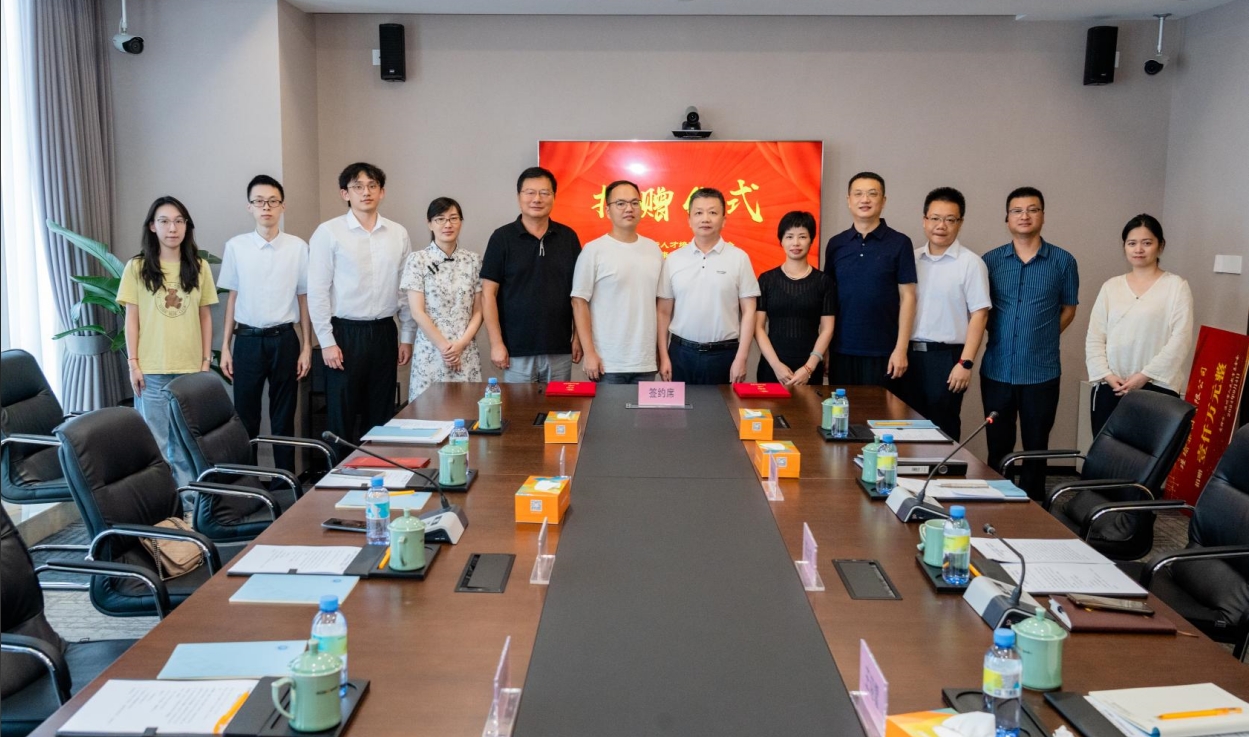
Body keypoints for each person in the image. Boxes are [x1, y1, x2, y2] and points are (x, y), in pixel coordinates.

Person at [981, 187, 1079, 499]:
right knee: (998, 444)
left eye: (1032, 209)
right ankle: (997, 500)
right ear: (1007, 218)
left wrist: (1041, 336)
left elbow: (1069, 309)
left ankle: (1034, 503)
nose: (1024, 216)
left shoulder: (1063, 261)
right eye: (1017, 210)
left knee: (1037, 444)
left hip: (1041, 371)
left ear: (1043, 216)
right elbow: (980, 311)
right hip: (997, 369)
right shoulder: (990, 261)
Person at [307, 162, 415, 446]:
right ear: (345, 193)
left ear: (382, 192)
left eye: (372, 186)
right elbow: (317, 291)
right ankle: (340, 473)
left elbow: (405, 289)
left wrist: (406, 336)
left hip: (384, 332)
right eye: (357, 187)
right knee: (341, 414)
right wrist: (326, 342)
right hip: (344, 334)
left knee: (381, 413)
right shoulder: (328, 232)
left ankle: (377, 469)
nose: (366, 192)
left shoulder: (398, 233)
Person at [118, 196, 218, 489]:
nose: (172, 228)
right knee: (157, 445)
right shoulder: (136, 267)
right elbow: (131, 319)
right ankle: (162, 506)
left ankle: (188, 503)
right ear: (152, 226)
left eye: (178, 221)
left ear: (186, 226)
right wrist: (133, 364)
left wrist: (204, 364)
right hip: (152, 371)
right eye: (164, 221)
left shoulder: (198, 266)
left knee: (187, 444)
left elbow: (205, 317)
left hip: (190, 371)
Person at [218, 175, 311, 474]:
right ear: (250, 207)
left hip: (285, 339)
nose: (266, 207)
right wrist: (225, 347)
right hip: (247, 341)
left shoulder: (298, 247)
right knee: (246, 417)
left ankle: (285, 481)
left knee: (284, 418)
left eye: (272, 201)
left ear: (282, 206)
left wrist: (306, 347)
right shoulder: (236, 247)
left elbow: (303, 299)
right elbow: (232, 299)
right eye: (259, 201)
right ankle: (249, 482)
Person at [1085, 214, 1193, 436]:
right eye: (1132, 243)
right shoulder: (1111, 287)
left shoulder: (1176, 286)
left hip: (1156, 388)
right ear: (1124, 246)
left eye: (1147, 243)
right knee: (1106, 453)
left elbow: (1180, 339)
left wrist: (1145, 375)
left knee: (1149, 453)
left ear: (1160, 246)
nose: (1139, 249)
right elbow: (1095, 337)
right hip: (1111, 387)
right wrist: (1107, 375)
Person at [897, 188, 991, 440]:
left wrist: (965, 363)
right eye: (935, 218)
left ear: (960, 223)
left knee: (942, 431)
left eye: (950, 219)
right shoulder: (910, 259)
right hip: (906, 357)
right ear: (924, 220)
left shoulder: (971, 263)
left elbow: (980, 315)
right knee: (904, 430)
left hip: (946, 359)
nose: (941, 226)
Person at [481, 166, 582, 383]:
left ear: (554, 197)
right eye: (530, 192)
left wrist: (578, 337)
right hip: (516, 351)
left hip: (559, 349)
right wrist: (496, 343)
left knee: (559, 405)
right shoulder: (502, 238)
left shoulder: (568, 238)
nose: (537, 199)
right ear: (519, 197)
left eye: (544, 193)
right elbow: (488, 294)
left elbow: (578, 294)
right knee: (518, 406)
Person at [657, 187, 760, 384]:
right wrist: (664, 356)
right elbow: (663, 312)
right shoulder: (673, 259)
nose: (705, 219)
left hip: (724, 355)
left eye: (712, 212)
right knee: (681, 405)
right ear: (689, 220)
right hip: (680, 353)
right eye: (698, 213)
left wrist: (742, 357)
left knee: (722, 405)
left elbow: (749, 311)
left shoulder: (739, 258)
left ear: (724, 219)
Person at [823, 172, 917, 388]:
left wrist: (901, 349)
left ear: (883, 201)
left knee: (881, 410)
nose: (864, 200)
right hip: (841, 350)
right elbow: (828, 301)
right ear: (849, 200)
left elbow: (908, 298)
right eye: (858, 194)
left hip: (884, 351)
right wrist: (824, 348)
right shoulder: (836, 244)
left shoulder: (900, 243)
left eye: (872, 194)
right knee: (842, 409)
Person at [571, 180, 664, 384]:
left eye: (634, 203)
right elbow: (579, 302)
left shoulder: (653, 250)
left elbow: (660, 306)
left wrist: (660, 352)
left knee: (643, 408)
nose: (629, 209)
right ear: (607, 210)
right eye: (620, 203)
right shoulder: (593, 250)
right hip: (607, 362)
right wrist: (589, 353)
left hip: (645, 361)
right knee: (607, 408)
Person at [400, 197, 484, 399]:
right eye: (440, 219)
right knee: (427, 411)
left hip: (465, 350)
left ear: (461, 222)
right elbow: (417, 312)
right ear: (430, 223)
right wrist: (445, 349)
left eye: (453, 218)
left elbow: (479, 311)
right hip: (431, 351)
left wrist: (460, 346)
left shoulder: (473, 260)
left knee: (466, 409)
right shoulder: (418, 260)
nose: (448, 224)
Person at [754, 210, 836, 386]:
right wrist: (776, 365)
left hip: (810, 367)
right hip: (772, 367)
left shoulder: (824, 282)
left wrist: (809, 368)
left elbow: (827, 329)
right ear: (781, 241)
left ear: (811, 240)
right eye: (789, 236)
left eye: (802, 237)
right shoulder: (767, 280)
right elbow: (758, 328)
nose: (796, 243)